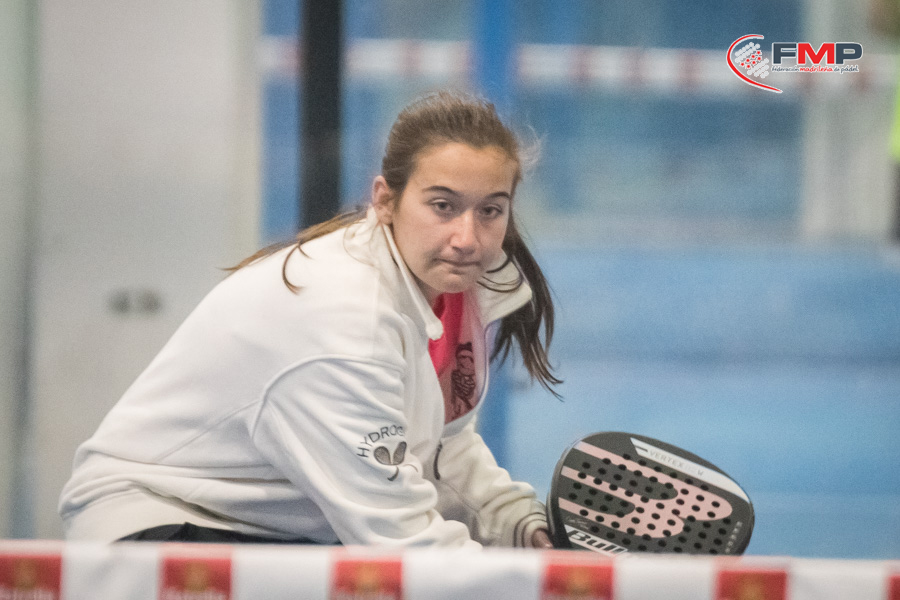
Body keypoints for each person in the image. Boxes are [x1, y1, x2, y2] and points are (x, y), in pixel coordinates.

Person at [59, 90, 561, 548]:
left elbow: (442, 453)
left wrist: (521, 526)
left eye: (490, 211)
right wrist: (535, 584)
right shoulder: (346, 319)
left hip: (264, 526)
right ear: (385, 200)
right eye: (443, 206)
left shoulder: (453, 291)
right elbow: (402, 541)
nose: (467, 237)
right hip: (161, 523)